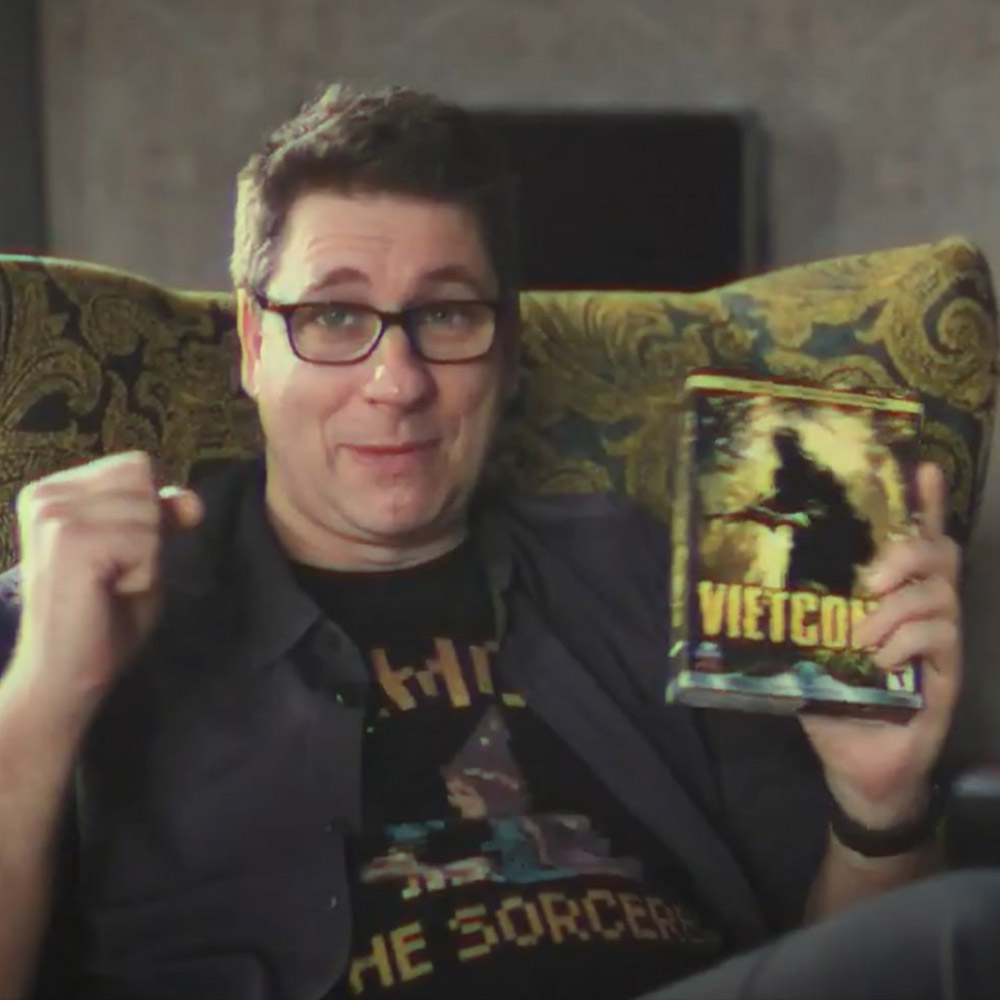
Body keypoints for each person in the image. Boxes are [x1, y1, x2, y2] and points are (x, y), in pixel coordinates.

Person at [0, 83, 993, 1000]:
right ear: (255, 347)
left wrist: (879, 804)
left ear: (507, 350)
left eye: (445, 314)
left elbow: (843, 961)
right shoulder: (85, 598)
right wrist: (42, 700)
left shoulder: (652, 571)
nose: (397, 382)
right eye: (335, 315)